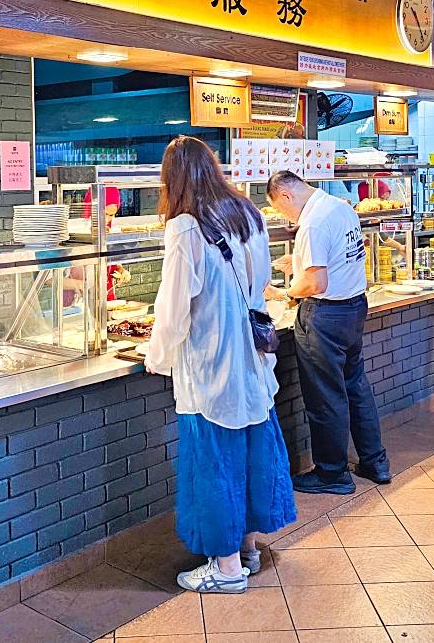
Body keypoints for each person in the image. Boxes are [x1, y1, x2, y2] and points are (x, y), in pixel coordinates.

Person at [144, 136, 296, 593]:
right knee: (251, 453)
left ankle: (226, 568)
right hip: (251, 359)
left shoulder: (185, 228)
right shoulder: (248, 215)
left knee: (214, 464)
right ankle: (247, 547)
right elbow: (263, 279)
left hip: (210, 363)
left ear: (172, 180)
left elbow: (173, 311)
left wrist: (156, 356)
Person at [264, 170, 390, 493]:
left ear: (286, 196)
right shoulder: (341, 207)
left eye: (279, 209)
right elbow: (344, 257)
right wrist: (300, 262)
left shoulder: (312, 223)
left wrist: (284, 292)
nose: (283, 217)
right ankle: (375, 462)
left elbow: (315, 283)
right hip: (353, 309)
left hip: (324, 317)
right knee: (355, 386)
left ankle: (332, 474)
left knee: (326, 396)